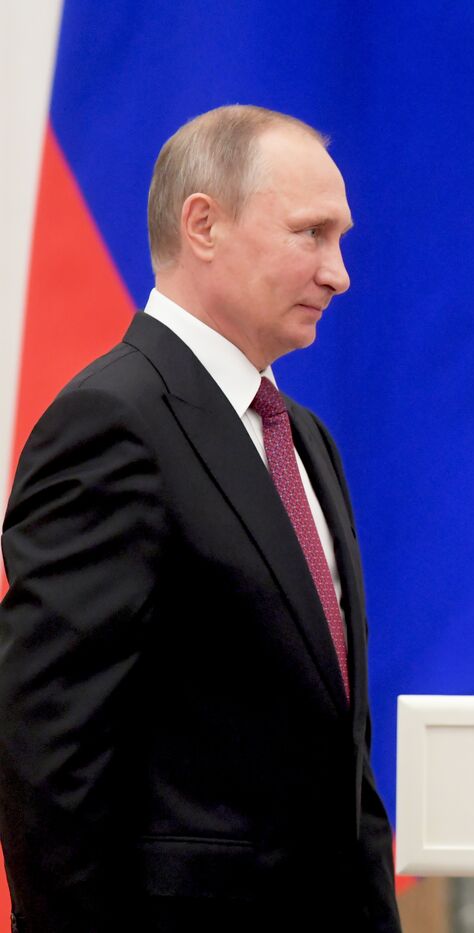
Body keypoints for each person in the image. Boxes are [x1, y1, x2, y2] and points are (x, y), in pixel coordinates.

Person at [0, 106, 400, 932]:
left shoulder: (303, 437)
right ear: (204, 224)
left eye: (341, 239)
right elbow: (48, 758)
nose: (340, 273)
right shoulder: (113, 422)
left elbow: (336, 752)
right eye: (311, 234)